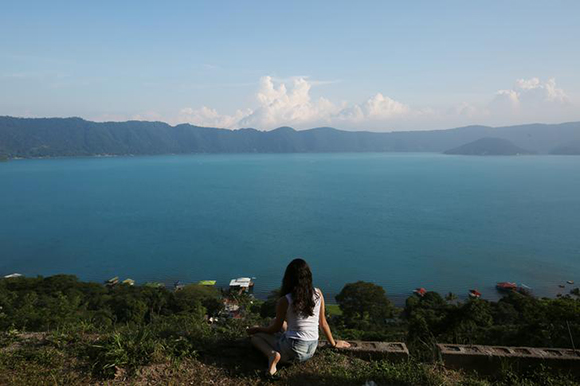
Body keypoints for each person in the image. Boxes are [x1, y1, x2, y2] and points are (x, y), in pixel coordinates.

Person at [247, 258, 350, 377]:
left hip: (293, 350)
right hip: (311, 349)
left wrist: (257, 329)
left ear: (288, 278)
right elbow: (323, 323)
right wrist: (334, 343)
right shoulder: (318, 293)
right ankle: (280, 350)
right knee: (275, 321)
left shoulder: (285, 300)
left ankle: (272, 355)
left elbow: (274, 329)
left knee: (256, 338)